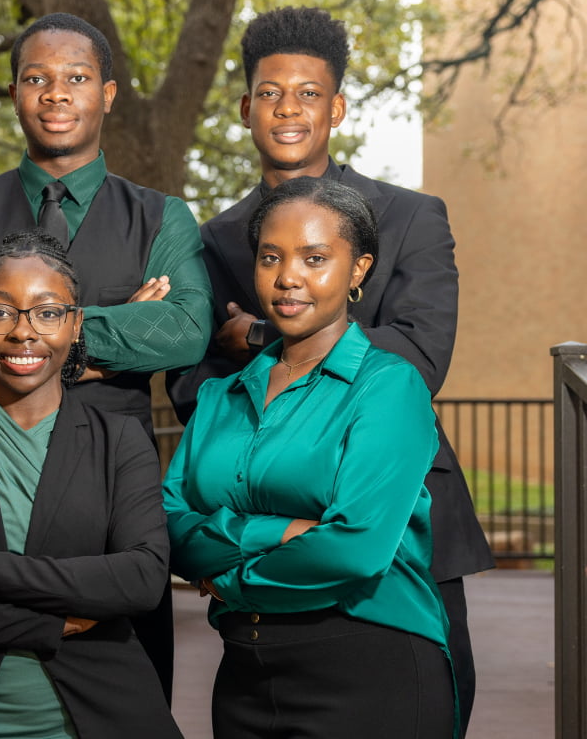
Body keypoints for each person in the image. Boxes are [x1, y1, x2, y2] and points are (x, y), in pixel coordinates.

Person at [167, 6, 493, 733]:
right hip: (259, 502)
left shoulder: (411, 216)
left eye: (309, 94)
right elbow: (195, 384)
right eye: (271, 93)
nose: (289, 108)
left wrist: (260, 337)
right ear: (246, 107)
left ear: (337, 107)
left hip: (400, 509)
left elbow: (418, 355)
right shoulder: (215, 238)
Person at [0, 11, 213, 698]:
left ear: (109, 93)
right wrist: (115, 327)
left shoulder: (164, 217)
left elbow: (187, 327)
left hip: (111, 487)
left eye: (76, 78)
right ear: (14, 93)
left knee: (128, 679)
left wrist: (15, 333)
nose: (56, 93)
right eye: (37, 78)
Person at [164, 176, 456, 738]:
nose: (287, 277)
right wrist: (281, 533)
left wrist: (230, 580)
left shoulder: (389, 388)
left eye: (315, 257)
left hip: (370, 667)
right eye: (270, 257)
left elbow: (356, 550)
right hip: (246, 678)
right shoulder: (219, 396)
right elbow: (171, 526)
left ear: (359, 271)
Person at [0, 232, 183, 739]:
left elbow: (142, 577)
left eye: (47, 312)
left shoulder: (120, 439)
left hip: (112, 715)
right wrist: (51, 623)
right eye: (0, 312)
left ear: (76, 323)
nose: (24, 333)